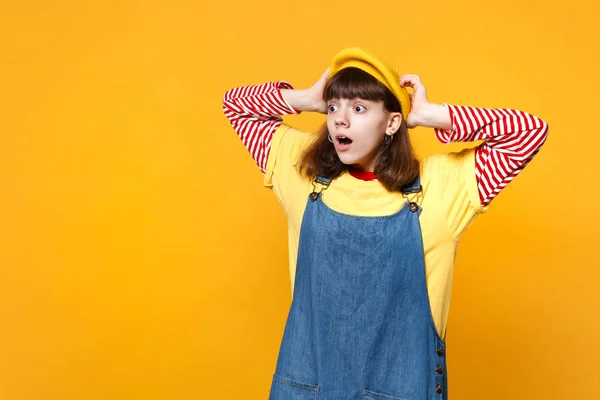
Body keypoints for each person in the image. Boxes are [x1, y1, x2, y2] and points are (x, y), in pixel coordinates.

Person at [222, 47, 548, 400]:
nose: (339, 120)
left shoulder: (440, 188)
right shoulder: (302, 174)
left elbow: (529, 133)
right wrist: (307, 98)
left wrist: (429, 114)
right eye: (334, 107)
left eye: (359, 108)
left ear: (392, 122)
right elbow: (236, 106)